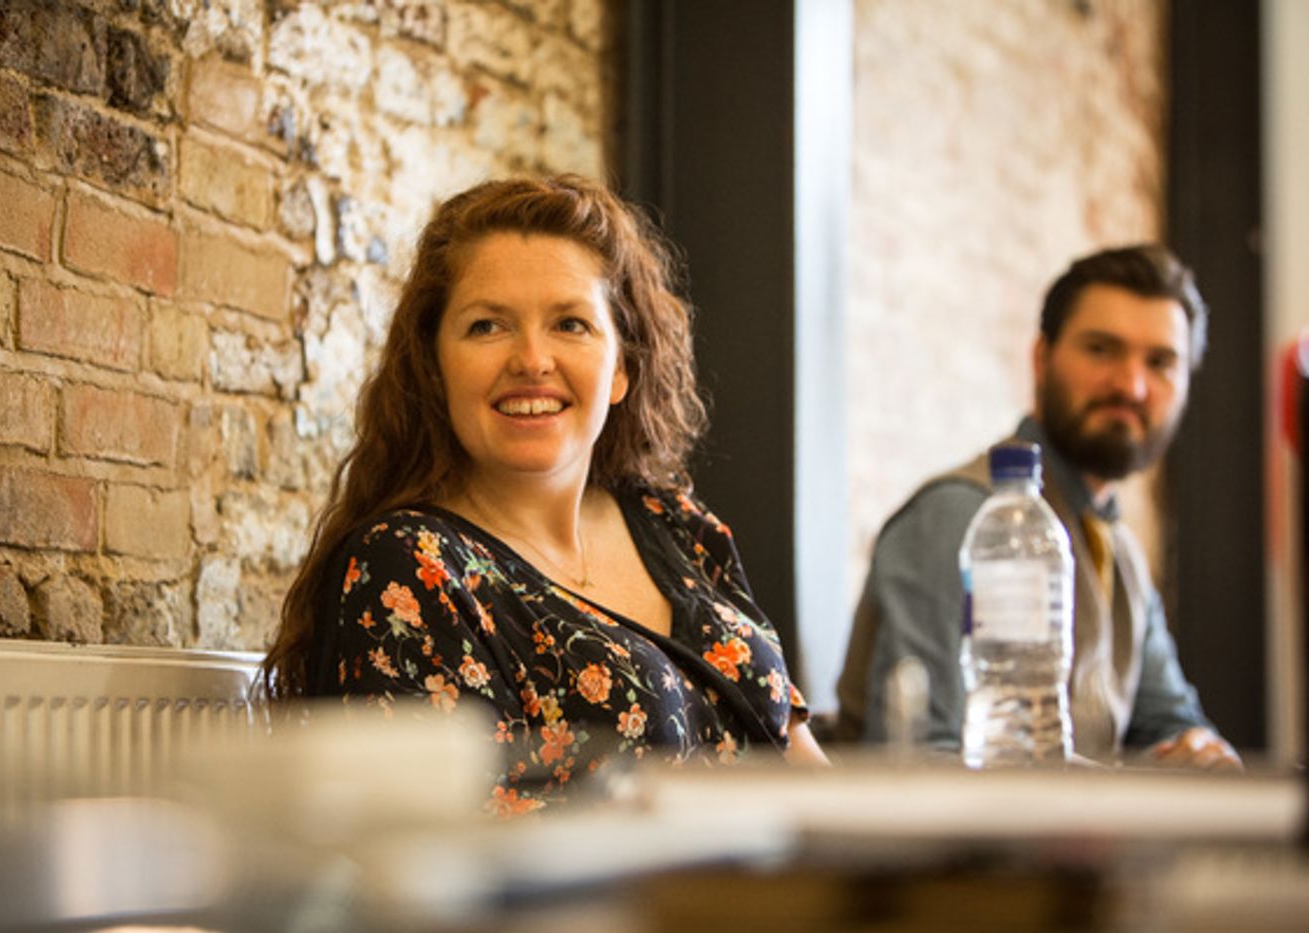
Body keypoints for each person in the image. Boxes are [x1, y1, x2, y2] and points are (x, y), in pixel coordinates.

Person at [262, 175, 826, 816]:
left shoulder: (678, 526)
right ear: (433, 364)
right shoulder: (408, 567)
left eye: (570, 323)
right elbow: (451, 857)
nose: (532, 359)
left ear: (621, 367)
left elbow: (801, 759)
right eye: (487, 326)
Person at [836, 244, 1240, 770]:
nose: (1131, 385)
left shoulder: (1120, 550)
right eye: (1101, 349)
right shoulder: (966, 518)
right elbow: (929, 764)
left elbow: (1169, 724)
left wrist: (1202, 755)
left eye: (1160, 362)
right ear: (1041, 359)